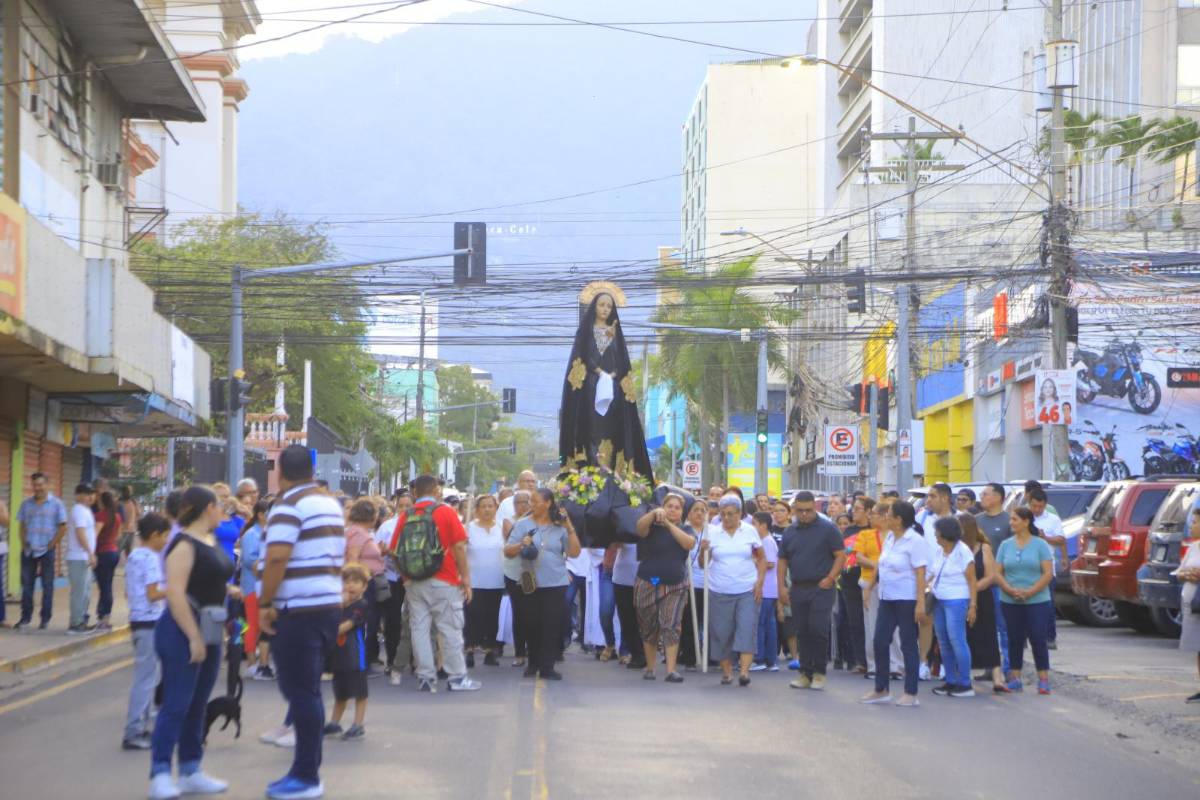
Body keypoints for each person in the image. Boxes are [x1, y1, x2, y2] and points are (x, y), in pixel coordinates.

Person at [259, 445, 347, 800]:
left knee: (299, 690)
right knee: (306, 689)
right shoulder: (330, 504)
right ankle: (306, 770)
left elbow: (277, 558)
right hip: (327, 605)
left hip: (298, 608)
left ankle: (307, 776)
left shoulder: (288, 506)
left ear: (281, 472)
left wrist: (265, 602)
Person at [150, 485, 235, 800]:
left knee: (198, 704)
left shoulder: (211, 539)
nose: (223, 511)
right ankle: (160, 773)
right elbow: (175, 594)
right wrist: (194, 637)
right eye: (220, 505)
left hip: (210, 629)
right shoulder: (183, 544)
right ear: (208, 508)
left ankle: (190, 770)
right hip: (181, 631)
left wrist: (229, 593)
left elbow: (209, 581)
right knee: (176, 704)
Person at [390, 474, 480, 694]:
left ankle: (426, 677)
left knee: (419, 629)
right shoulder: (445, 512)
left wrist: (406, 577)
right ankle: (457, 677)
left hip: (414, 582)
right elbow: (459, 547)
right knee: (449, 629)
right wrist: (465, 578)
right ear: (436, 491)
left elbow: (394, 551)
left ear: (415, 492)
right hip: (444, 579)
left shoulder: (406, 515)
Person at [558, 285, 654, 478]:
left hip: (613, 390)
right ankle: (589, 468)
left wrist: (612, 375)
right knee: (590, 429)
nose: (605, 309)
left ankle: (613, 472)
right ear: (594, 306)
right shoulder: (585, 332)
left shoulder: (616, 333)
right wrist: (598, 372)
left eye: (609, 306)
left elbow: (622, 361)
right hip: (589, 390)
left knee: (613, 429)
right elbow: (581, 357)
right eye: (601, 305)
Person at [504, 487, 582, 680]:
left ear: (548, 503)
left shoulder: (559, 526)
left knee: (551, 624)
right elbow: (508, 551)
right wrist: (522, 544)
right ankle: (533, 663)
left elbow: (574, 552)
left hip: (555, 582)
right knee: (531, 623)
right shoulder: (522, 524)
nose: (531, 505)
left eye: (536, 501)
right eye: (531, 501)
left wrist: (569, 526)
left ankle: (547, 666)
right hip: (529, 582)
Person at [861, 501, 928, 708]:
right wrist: (870, 587)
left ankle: (911, 692)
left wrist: (920, 602)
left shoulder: (915, 541)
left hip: (907, 598)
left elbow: (920, 573)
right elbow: (881, 565)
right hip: (887, 597)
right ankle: (881, 689)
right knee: (880, 641)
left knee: (908, 644)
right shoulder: (890, 537)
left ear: (899, 519)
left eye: (889, 514)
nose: (885, 517)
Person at [778, 491, 846, 690]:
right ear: (794, 510)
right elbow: (782, 560)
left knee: (818, 629)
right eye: (800, 511)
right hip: (798, 587)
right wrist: (781, 586)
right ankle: (805, 673)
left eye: (808, 510)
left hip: (821, 587)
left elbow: (840, 556)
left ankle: (819, 672)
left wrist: (831, 578)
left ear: (814, 508)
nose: (804, 514)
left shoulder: (828, 529)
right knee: (802, 630)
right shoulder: (790, 531)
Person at [700, 495, 766, 686]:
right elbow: (703, 564)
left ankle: (744, 672)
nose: (727, 518)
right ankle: (727, 672)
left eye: (731, 514)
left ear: (739, 514)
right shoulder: (712, 532)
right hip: (719, 589)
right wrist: (703, 550)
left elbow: (762, 558)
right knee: (722, 633)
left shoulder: (749, 531)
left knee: (747, 628)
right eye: (723, 514)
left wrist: (760, 582)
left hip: (747, 589)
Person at [633, 494, 696, 682]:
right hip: (650, 581)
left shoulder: (686, 529)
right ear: (662, 507)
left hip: (674, 584)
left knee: (671, 625)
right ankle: (650, 668)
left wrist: (669, 525)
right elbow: (639, 528)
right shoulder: (651, 526)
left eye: (677, 508)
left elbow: (688, 543)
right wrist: (653, 514)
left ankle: (671, 670)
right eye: (669, 506)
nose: (673, 510)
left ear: (682, 512)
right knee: (648, 625)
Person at [995, 507, 1055, 695]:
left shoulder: (1040, 545)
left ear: (1026, 522)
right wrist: (1008, 589)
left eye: (1015, 519)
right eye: (1011, 519)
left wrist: (1030, 592)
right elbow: (997, 572)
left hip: (1037, 600)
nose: (1011, 523)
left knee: (1038, 638)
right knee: (1014, 638)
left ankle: (1043, 680)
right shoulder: (1005, 545)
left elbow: (1047, 573)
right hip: (1010, 599)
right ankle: (1015, 678)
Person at [122, 512, 169, 750]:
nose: (166, 541)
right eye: (165, 536)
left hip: (137, 621)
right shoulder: (150, 558)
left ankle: (140, 726)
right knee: (146, 679)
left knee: (147, 676)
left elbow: (129, 592)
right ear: (154, 535)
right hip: (149, 622)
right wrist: (175, 588)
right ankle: (133, 731)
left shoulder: (134, 556)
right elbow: (153, 594)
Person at [928, 516, 977, 698]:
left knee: (957, 640)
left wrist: (973, 605)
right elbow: (932, 573)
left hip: (957, 600)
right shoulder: (940, 551)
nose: (935, 535)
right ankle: (950, 680)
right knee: (943, 641)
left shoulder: (962, 551)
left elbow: (972, 580)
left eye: (937, 531)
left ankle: (965, 683)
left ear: (944, 533)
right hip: (939, 599)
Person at [323, 563, 370, 741]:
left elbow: (349, 625)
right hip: (338, 656)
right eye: (347, 582)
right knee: (340, 692)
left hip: (355, 656)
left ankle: (358, 724)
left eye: (356, 582)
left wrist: (329, 630)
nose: (350, 585)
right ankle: (335, 723)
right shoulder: (338, 605)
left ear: (364, 586)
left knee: (360, 692)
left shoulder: (361, 605)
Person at [15, 473, 68, 630]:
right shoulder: (26, 504)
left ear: (47, 485)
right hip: (29, 550)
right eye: (34, 485)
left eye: (40, 484)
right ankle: (25, 618)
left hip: (47, 551)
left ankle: (45, 619)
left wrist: (52, 544)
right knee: (27, 586)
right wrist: (23, 542)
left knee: (47, 585)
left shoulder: (57, 504)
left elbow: (63, 527)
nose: (37, 488)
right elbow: (22, 525)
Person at [961, 512, 1006, 692]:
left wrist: (973, 589)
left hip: (982, 596)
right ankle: (964, 674)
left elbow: (991, 575)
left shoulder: (984, 548)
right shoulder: (955, 548)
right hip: (961, 598)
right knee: (965, 637)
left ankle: (997, 678)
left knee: (989, 636)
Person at [343, 499, 385, 670]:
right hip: (362, 585)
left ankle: (361, 662)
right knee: (365, 624)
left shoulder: (359, 532)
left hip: (365, 582)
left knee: (367, 624)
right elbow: (353, 559)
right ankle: (360, 663)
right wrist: (356, 585)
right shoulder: (358, 533)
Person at [376, 492, 413, 685]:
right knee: (392, 621)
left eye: (408, 506)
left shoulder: (417, 525)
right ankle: (392, 659)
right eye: (401, 506)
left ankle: (414, 659)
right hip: (391, 578)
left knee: (414, 620)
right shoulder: (387, 526)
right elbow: (376, 550)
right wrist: (385, 551)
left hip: (412, 579)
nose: (404, 509)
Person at [466, 494, 506, 667]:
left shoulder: (501, 528)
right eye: (483, 506)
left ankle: (490, 650)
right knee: (472, 616)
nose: (487, 509)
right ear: (477, 509)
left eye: (490, 506)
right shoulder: (468, 528)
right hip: (474, 581)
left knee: (492, 616)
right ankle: (469, 650)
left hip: (496, 580)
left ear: (496, 508)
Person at [976, 482, 1012, 673]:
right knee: (985, 627)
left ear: (998, 497)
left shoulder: (1009, 521)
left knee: (1003, 627)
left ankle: (1007, 668)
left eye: (985, 494)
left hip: (1000, 583)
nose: (981, 497)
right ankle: (989, 668)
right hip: (980, 582)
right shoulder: (976, 521)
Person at [1026, 487, 1065, 650]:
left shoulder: (1053, 519)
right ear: (1029, 504)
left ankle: (1050, 637)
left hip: (1046, 568)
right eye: (1034, 506)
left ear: (1045, 504)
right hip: (1025, 568)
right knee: (1024, 605)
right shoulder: (1023, 518)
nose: (1037, 509)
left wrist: (1045, 537)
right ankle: (1024, 637)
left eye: (1040, 506)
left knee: (1047, 605)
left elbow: (1061, 539)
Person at [240, 499, 274, 680]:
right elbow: (249, 561)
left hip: (266, 585)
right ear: (260, 515)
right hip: (253, 585)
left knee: (264, 624)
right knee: (253, 624)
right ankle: (252, 663)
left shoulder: (269, 532)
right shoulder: (252, 534)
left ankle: (260, 661)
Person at [502, 489, 534, 667]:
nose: (523, 505)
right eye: (519, 502)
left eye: (526, 502)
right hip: (514, 573)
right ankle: (519, 652)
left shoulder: (537, 520)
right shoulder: (510, 521)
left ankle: (533, 649)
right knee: (519, 612)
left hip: (532, 572)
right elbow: (510, 537)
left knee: (533, 612)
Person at [678, 499, 710, 670]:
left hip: (709, 583)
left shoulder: (712, 531)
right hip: (689, 582)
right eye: (695, 510)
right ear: (688, 513)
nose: (699, 513)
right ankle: (689, 655)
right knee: (689, 621)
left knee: (708, 621)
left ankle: (709, 655)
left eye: (702, 510)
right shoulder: (684, 530)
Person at [1174, 508, 1200, 704]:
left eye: (1196, 522)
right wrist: (1187, 575)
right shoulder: (1194, 547)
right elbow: (1179, 573)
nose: (1191, 526)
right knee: (1198, 646)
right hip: (1193, 605)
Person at [65, 483, 98, 634]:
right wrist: (90, 552)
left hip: (83, 557)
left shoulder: (85, 511)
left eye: (91, 494)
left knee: (85, 591)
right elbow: (80, 532)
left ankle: (81, 620)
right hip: (78, 557)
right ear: (78, 495)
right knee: (79, 591)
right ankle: (76, 624)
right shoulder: (78, 510)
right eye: (86, 494)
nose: (90, 497)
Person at [750, 511, 780, 673]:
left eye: (754, 524)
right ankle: (771, 659)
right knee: (769, 624)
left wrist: (753, 560)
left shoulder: (767, 542)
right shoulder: (765, 541)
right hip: (769, 589)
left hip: (766, 589)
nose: (752, 527)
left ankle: (760, 658)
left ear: (763, 525)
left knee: (761, 623)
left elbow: (770, 563)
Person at [611, 541, 644, 668]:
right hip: (622, 579)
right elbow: (612, 545)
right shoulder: (622, 530)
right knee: (626, 620)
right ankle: (637, 654)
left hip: (647, 578)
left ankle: (646, 653)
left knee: (646, 619)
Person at [93, 489, 122, 631]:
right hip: (113, 552)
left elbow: (94, 534)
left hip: (103, 553)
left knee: (103, 586)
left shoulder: (101, 515)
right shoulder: (117, 516)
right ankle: (105, 617)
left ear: (102, 502)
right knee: (108, 585)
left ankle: (103, 617)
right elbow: (118, 536)